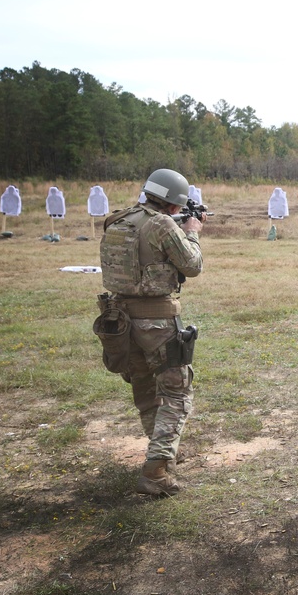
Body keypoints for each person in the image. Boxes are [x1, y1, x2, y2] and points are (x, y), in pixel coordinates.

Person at [99, 168, 205, 496]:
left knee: (145, 389)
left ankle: (159, 454)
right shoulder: (162, 224)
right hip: (155, 320)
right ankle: (156, 467)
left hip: (118, 320)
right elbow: (192, 266)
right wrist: (192, 232)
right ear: (175, 204)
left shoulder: (117, 220)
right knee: (176, 392)